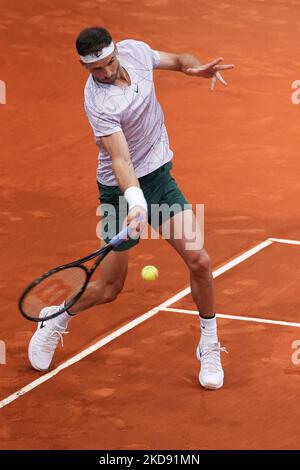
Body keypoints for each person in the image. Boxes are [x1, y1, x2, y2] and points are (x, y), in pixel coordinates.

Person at [28, 27, 234, 389]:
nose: (105, 74)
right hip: (117, 193)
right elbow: (120, 159)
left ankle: (209, 343)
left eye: (109, 64)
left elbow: (177, 60)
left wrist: (195, 68)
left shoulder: (136, 52)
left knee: (199, 260)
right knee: (108, 289)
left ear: (116, 53)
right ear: (84, 67)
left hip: (159, 179)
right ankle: (56, 318)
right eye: (96, 70)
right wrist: (135, 203)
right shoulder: (98, 102)